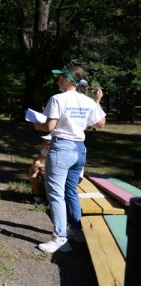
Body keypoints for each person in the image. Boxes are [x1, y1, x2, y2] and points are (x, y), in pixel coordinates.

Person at [34, 66, 105, 253]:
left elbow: (49, 126)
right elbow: (101, 124)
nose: (57, 81)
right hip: (80, 150)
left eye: (59, 78)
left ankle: (60, 238)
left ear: (67, 80)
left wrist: (37, 125)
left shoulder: (57, 99)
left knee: (56, 194)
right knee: (71, 191)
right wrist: (97, 101)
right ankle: (77, 231)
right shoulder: (87, 101)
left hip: (61, 148)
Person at [28, 135, 52, 204]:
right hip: (49, 170)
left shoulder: (60, 151)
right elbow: (37, 160)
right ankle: (37, 196)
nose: (46, 143)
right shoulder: (46, 149)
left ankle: (50, 199)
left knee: (44, 169)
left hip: (59, 172)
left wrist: (42, 166)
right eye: (45, 141)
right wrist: (36, 166)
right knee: (33, 169)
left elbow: (57, 166)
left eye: (49, 142)